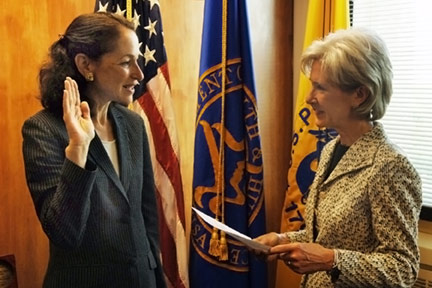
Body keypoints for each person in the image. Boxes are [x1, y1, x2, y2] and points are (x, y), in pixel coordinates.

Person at [254, 27, 422, 287]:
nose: (309, 98)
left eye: (320, 88)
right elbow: (329, 236)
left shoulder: (390, 166)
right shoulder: (333, 148)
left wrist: (331, 261)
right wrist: (282, 240)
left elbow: (403, 268)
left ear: (360, 94)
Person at [22, 12, 166, 288]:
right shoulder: (43, 129)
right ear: (86, 64)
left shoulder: (133, 123)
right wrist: (78, 148)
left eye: (137, 60)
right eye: (126, 62)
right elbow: (63, 232)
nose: (139, 73)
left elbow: (146, 217)